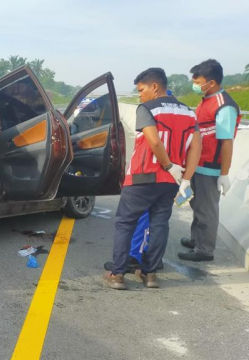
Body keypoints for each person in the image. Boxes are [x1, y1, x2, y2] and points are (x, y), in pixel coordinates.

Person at [104, 68, 201, 290]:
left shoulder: (147, 109)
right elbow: (196, 147)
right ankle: (150, 275)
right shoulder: (189, 113)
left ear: (154, 87)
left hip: (143, 177)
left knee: (125, 224)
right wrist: (185, 178)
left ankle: (117, 274)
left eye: (141, 89)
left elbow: (154, 142)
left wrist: (166, 164)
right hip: (171, 181)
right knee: (159, 225)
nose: (140, 95)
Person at [178, 59, 242, 262]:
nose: (195, 85)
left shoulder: (224, 106)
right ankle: (196, 239)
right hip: (197, 164)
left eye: (198, 81)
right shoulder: (206, 99)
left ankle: (205, 250)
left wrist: (224, 173)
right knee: (196, 204)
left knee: (207, 209)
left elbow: (226, 142)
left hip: (210, 167)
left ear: (211, 82)